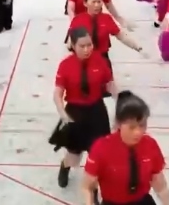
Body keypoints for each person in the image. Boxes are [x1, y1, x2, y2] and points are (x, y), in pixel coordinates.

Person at [51, 27, 119, 188]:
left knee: (99, 154)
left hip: (96, 112)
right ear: (73, 46)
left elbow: (110, 84)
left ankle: (93, 190)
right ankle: (65, 166)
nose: (87, 49)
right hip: (75, 113)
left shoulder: (100, 61)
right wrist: (63, 114)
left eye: (89, 45)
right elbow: (58, 93)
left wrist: (121, 102)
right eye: (82, 46)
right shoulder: (65, 65)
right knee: (74, 156)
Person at [82, 91, 169, 205]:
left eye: (142, 125)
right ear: (118, 124)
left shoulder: (150, 145)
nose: (138, 132)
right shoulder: (101, 148)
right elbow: (87, 186)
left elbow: (160, 186)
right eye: (132, 127)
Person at [69, 0, 144, 68]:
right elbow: (71, 43)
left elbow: (121, 36)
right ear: (85, 3)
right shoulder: (78, 20)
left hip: (102, 59)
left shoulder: (106, 19)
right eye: (93, 2)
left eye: (99, 2)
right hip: (84, 60)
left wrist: (137, 47)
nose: (97, 5)